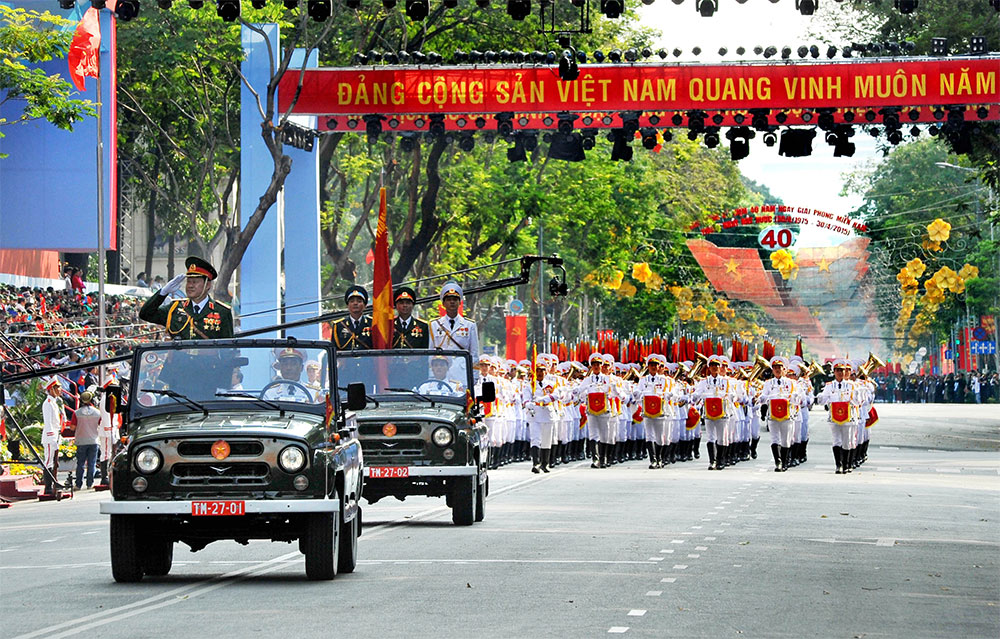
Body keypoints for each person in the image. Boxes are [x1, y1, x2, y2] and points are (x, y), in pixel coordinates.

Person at [138, 256, 234, 339]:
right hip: (179, 355)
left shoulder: (222, 312)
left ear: (207, 285)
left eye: (195, 282)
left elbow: (228, 347)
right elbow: (145, 314)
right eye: (189, 281)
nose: (190, 286)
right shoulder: (174, 309)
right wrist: (163, 292)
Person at [430, 281, 479, 362]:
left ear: (459, 303)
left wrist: (470, 371)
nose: (452, 302)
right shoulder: (434, 325)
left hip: (462, 368)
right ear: (443, 303)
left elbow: (474, 355)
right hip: (441, 368)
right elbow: (430, 352)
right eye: (448, 300)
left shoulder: (470, 325)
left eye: (455, 299)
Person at [72, 390, 102, 490]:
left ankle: (78, 484)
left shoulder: (76, 413)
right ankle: (90, 483)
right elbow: (100, 424)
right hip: (93, 440)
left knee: (80, 464)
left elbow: (72, 427)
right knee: (92, 463)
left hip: (81, 441)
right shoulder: (97, 413)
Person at [331, 285, 373, 350]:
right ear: (347, 305)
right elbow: (334, 350)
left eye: (359, 301)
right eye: (352, 301)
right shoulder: (339, 325)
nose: (355, 303)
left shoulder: (372, 323)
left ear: (365, 306)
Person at [41, 378, 64, 494]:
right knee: (48, 461)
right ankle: (48, 487)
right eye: (57, 388)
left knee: (54, 462)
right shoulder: (48, 403)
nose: (60, 389)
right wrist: (52, 438)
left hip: (55, 435)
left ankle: (53, 483)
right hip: (50, 437)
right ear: (51, 389)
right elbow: (48, 422)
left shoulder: (54, 402)